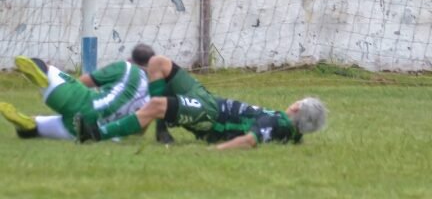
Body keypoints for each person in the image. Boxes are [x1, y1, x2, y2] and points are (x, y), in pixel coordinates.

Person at [75, 53, 327, 150]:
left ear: (296, 107)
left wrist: (214, 151)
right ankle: (160, 129)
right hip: (209, 99)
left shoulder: (276, 123)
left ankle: (96, 134)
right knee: (157, 63)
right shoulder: (290, 132)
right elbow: (292, 138)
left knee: (157, 106)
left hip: (210, 115)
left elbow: (250, 140)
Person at [0, 56, 149, 141]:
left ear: (132, 60)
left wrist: (70, 85)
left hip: (82, 103)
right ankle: (31, 124)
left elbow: (85, 81)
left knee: (43, 66)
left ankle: (44, 74)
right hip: (90, 131)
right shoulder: (152, 98)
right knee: (27, 132)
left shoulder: (127, 67)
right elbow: (138, 130)